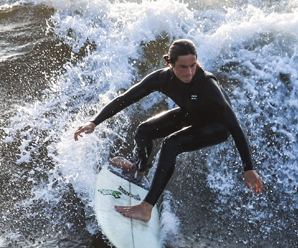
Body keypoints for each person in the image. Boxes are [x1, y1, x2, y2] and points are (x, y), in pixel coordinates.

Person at [74, 39, 263, 222]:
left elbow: (235, 127)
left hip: (217, 126)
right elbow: (126, 98)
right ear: (170, 63)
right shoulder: (162, 79)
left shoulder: (207, 84)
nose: (189, 72)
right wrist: (94, 122)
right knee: (144, 130)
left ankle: (146, 208)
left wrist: (248, 168)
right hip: (192, 113)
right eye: (183, 67)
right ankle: (138, 169)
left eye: (193, 65)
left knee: (171, 144)